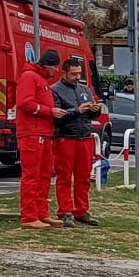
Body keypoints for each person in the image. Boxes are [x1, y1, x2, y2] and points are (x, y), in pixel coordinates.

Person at [48, 58, 105, 227]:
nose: (77, 77)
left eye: (79, 73)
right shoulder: (55, 90)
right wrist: (77, 111)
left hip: (85, 137)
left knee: (84, 177)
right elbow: (57, 116)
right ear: (64, 73)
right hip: (66, 138)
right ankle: (65, 211)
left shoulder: (84, 89)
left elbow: (91, 115)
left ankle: (81, 210)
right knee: (64, 177)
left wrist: (96, 110)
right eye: (73, 74)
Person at [14, 49, 66, 228]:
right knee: (32, 175)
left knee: (44, 175)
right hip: (32, 133)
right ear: (49, 66)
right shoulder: (29, 77)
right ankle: (29, 216)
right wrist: (49, 111)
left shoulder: (40, 79)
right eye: (56, 67)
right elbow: (24, 103)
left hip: (43, 133)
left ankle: (41, 213)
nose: (56, 72)